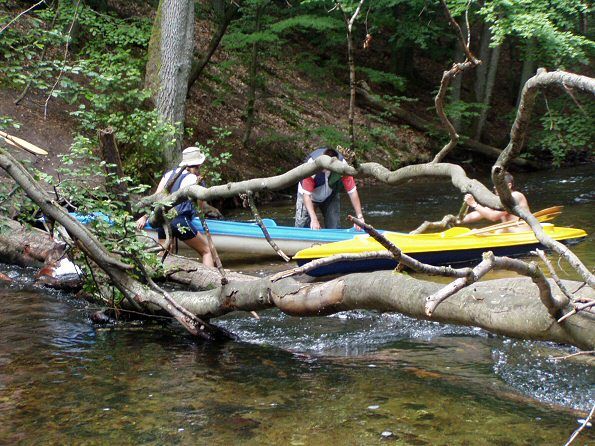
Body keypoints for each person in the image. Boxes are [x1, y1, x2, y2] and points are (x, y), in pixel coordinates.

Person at [136, 146, 214, 267]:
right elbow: (201, 208)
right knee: (207, 251)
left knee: (165, 254)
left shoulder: (168, 175)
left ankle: (157, 277)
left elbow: (156, 197)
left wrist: (145, 216)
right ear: (198, 165)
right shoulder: (196, 180)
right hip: (180, 220)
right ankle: (212, 281)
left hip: (162, 220)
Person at [295, 147, 364, 230]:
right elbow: (306, 195)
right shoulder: (311, 166)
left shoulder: (342, 166)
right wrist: (314, 219)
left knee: (334, 226)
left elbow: (352, 191)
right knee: (302, 226)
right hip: (308, 196)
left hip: (330, 195)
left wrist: (360, 217)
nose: (327, 170)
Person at [462, 172, 530, 232]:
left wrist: (474, 204)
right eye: (495, 184)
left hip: (521, 233)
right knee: (476, 231)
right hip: (508, 234)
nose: (495, 187)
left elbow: (493, 216)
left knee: (477, 232)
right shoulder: (498, 200)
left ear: (509, 186)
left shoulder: (515, 196)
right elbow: (480, 213)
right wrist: (459, 220)